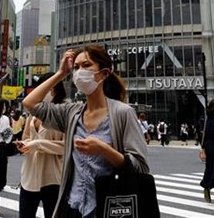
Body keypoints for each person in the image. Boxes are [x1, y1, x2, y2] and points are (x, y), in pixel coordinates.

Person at [22, 46, 149, 217]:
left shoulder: (123, 113)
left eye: (86, 65)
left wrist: (103, 149)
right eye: (76, 67)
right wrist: (60, 74)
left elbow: (140, 167)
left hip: (107, 207)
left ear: (104, 73)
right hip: (73, 206)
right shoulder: (71, 112)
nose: (80, 72)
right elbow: (29, 103)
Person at [17, 75, 66, 218]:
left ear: (56, 89)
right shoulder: (33, 113)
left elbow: (67, 146)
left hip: (53, 177)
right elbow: (26, 137)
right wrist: (24, 145)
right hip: (30, 175)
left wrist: (38, 144)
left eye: (48, 87)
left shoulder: (64, 113)